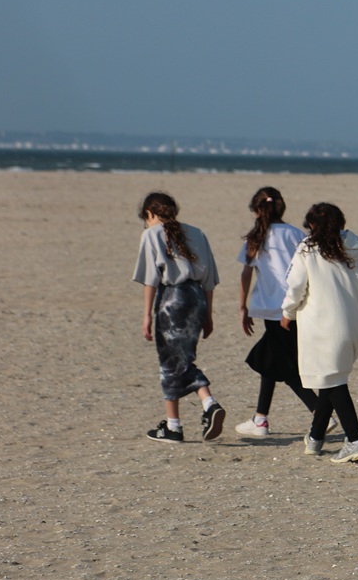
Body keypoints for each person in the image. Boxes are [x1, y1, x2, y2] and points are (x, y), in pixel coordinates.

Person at [280, 203, 358, 463]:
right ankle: (315, 438)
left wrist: (287, 312)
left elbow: (295, 285)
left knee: (334, 382)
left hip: (320, 327)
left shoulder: (307, 249)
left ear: (312, 225)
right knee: (330, 377)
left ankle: (355, 440)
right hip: (353, 327)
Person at [234, 187, 330, 439]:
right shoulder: (294, 234)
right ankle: (261, 419)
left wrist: (243, 307)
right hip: (298, 306)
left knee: (280, 363)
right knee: (273, 360)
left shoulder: (256, 238)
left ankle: (319, 411)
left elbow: (245, 274)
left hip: (271, 309)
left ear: (256, 211)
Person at [132, 192, 225, 443]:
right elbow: (209, 280)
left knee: (170, 362)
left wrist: (146, 316)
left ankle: (176, 425)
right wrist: (208, 314)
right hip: (196, 299)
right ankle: (206, 404)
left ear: (150, 214)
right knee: (183, 359)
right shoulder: (197, 232)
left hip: (171, 299)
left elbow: (150, 279)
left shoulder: (151, 234)